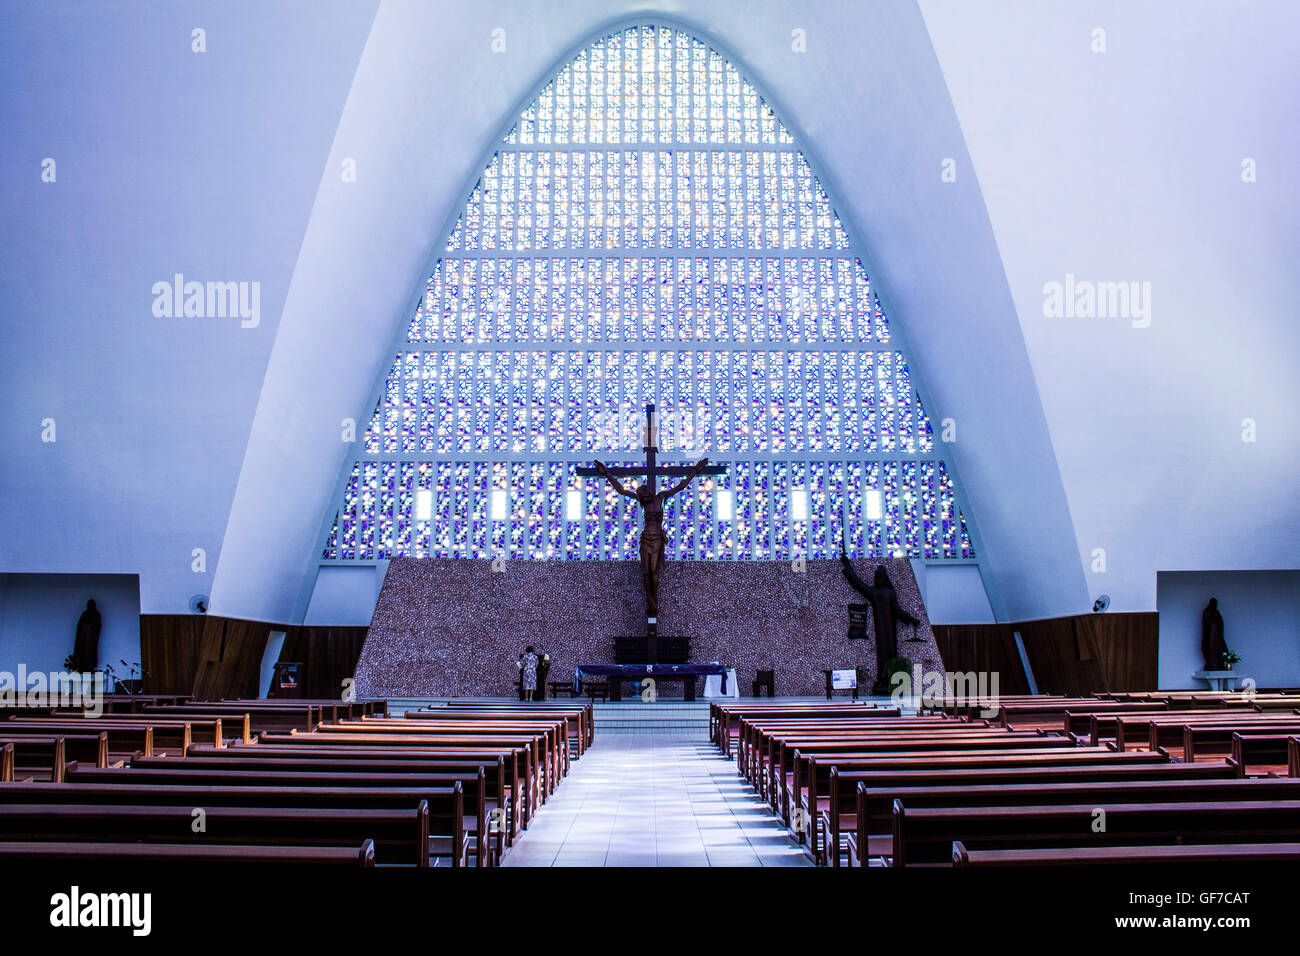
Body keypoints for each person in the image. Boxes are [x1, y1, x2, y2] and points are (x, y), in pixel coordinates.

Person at [72, 598, 102, 672]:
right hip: (83, 637)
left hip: (91, 638)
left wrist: (91, 626)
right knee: (82, 651)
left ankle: (90, 666)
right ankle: (82, 665)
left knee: (90, 653)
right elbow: (80, 626)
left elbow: (98, 625)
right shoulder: (85, 614)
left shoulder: (96, 614)